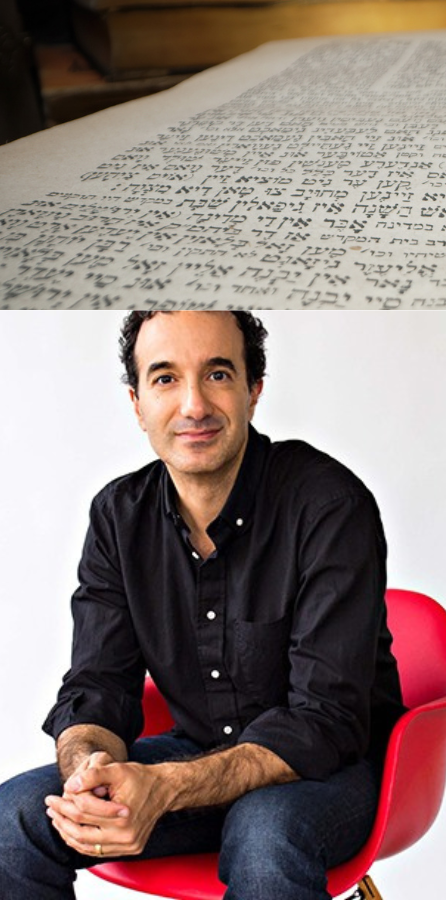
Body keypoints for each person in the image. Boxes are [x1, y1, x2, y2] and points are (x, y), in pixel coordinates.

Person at [0, 312, 404, 900]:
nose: (193, 405)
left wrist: (165, 786)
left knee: (264, 833)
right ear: (137, 404)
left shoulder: (328, 504)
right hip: (197, 756)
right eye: (165, 378)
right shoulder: (118, 517)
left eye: (217, 374)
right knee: (13, 817)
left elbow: (324, 721)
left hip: (333, 773)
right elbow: (98, 686)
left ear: (253, 391)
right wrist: (90, 773)